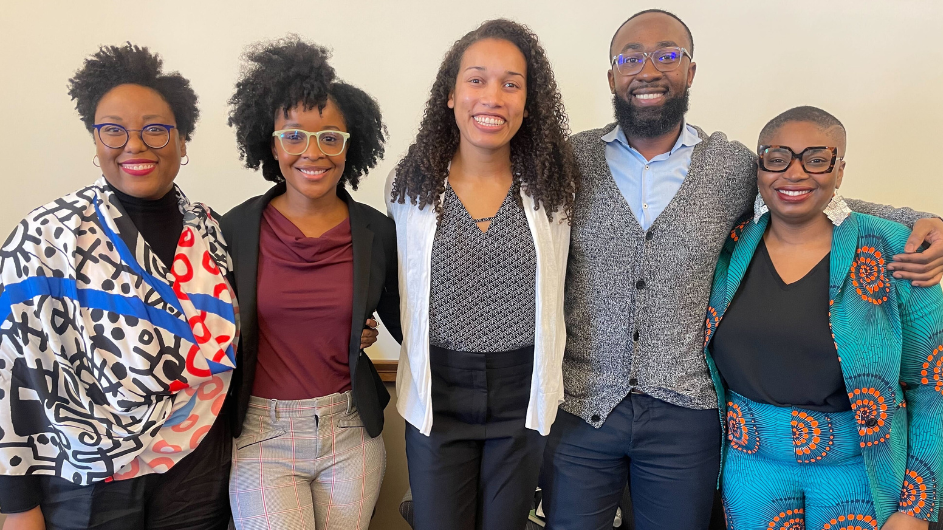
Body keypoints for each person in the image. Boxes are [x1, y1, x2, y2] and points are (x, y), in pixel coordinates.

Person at [540, 9, 943, 530]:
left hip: (686, 413)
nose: (648, 70)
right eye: (631, 57)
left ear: (690, 72)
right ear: (612, 74)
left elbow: (805, 192)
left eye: (668, 55)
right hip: (582, 406)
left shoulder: (729, 165)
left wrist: (922, 219)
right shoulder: (569, 161)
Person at [0, 44, 236, 530]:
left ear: (183, 139)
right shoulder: (46, 237)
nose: (135, 144)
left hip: (198, 468)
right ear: (95, 139)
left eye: (155, 128)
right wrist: (14, 504)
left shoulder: (213, 233)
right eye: (113, 129)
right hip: (84, 476)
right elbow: (12, 378)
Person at [705, 106, 941, 529]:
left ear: (840, 170)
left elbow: (934, 385)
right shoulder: (730, 247)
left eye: (816, 159)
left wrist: (916, 509)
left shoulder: (892, 250)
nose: (793, 173)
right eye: (777, 158)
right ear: (759, 167)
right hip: (750, 468)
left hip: (858, 471)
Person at [387, 18, 579, 530]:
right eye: (476, 79)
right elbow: (393, 282)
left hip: (523, 393)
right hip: (438, 391)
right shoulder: (409, 185)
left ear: (528, 102)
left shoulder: (555, 189)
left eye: (511, 84)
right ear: (450, 95)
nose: (492, 96)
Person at [221, 37, 401, 530]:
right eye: (294, 135)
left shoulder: (377, 232)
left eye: (330, 138)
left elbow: (411, 324)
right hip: (261, 434)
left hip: (349, 433)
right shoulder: (232, 231)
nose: (312, 152)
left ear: (350, 145)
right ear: (271, 143)